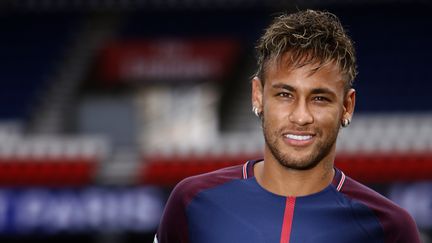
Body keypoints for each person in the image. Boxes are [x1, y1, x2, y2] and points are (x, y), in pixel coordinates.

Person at [154, 9, 421, 243]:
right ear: (257, 94)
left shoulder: (389, 228)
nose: (301, 116)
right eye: (284, 95)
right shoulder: (191, 202)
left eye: (319, 98)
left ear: (347, 106)